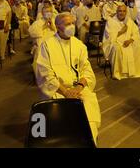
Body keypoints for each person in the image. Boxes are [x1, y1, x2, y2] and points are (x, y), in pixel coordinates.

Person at [34, 13, 101, 143]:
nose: (71, 26)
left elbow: (86, 69)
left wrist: (79, 87)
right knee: (64, 120)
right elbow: (45, 74)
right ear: (58, 27)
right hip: (57, 90)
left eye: (72, 23)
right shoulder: (47, 45)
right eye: (67, 24)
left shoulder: (79, 45)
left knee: (89, 109)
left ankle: (89, 142)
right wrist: (65, 92)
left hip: (77, 90)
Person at [102, 4, 140, 80]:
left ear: (126, 12)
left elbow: (136, 33)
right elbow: (109, 38)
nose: (122, 13)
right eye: (120, 11)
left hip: (128, 43)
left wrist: (130, 40)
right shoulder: (111, 22)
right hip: (116, 43)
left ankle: (137, 71)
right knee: (116, 49)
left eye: (124, 11)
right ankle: (119, 73)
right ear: (116, 12)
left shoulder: (129, 21)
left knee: (138, 47)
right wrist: (121, 32)